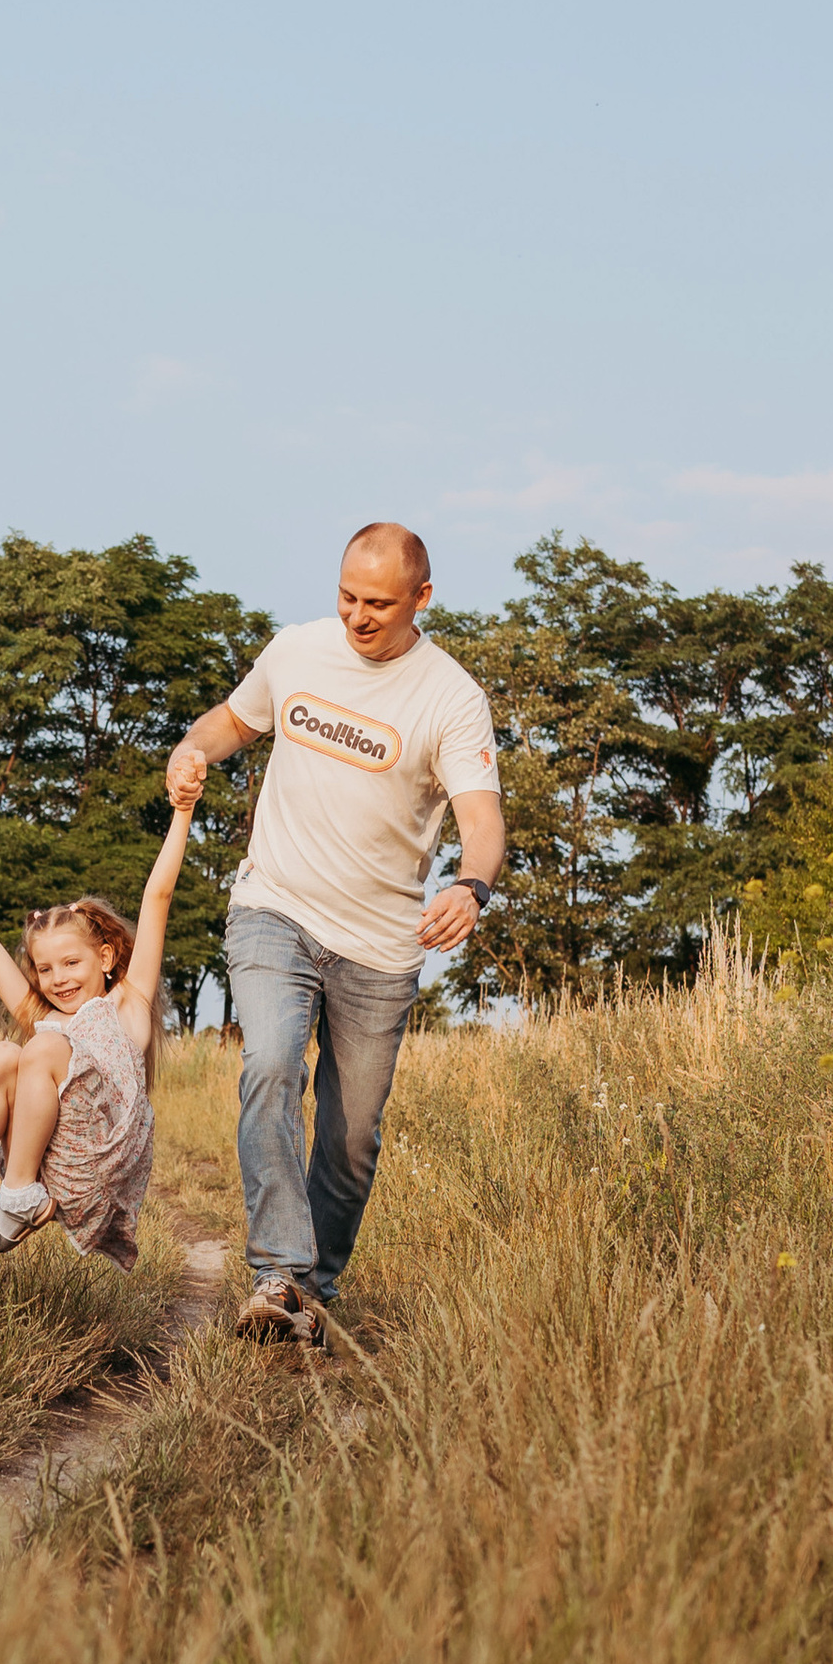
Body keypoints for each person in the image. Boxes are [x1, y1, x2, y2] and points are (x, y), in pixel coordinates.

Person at [168, 523, 506, 1349]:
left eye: (379, 604)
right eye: (348, 596)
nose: (358, 616)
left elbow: (484, 823)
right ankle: (277, 1272)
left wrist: (471, 886)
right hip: (273, 905)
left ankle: (310, 1294)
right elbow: (233, 722)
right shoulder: (299, 651)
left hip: (382, 943)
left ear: (421, 599)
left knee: (350, 1140)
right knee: (273, 1060)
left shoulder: (451, 697)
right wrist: (190, 748)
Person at [0, 759, 206, 1281]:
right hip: (49, 1161)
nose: (58, 978)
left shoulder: (128, 1003)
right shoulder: (45, 1016)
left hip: (99, 1164)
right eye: (45, 968)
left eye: (72, 963)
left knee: (42, 1047)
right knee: (0, 1056)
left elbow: (158, 897)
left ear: (104, 958)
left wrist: (183, 811)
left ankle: (16, 1196)